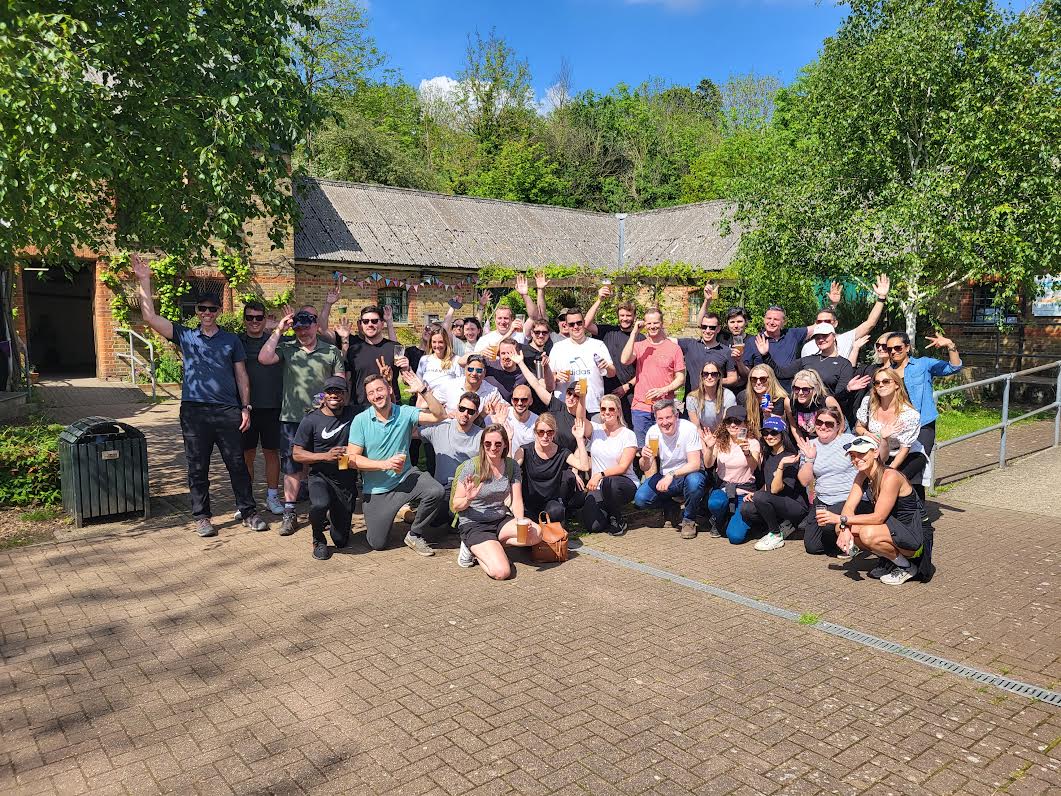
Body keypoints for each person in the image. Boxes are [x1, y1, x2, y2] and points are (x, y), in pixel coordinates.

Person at [131, 255, 268, 537]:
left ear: (218, 311)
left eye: (211, 309)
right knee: (197, 466)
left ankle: (249, 511)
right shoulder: (185, 335)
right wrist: (144, 280)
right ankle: (202, 517)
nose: (207, 313)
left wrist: (246, 408)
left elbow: (242, 375)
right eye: (202, 309)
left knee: (237, 464)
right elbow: (150, 317)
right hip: (194, 412)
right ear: (197, 312)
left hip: (228, 410)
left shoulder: (231, 340)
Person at [257, 306, 347, 536]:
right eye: (298, 329)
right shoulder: (287, 348)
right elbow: (264, 358)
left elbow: (340, 381)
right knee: (292, 465)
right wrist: (278, 329)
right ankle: (289, 512)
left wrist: (324, 398)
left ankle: (331, 509)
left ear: (316, 326)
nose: (303, 333)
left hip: (324, 418)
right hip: (292, 417)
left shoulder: (331, 351)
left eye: (307, 328)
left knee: (328, 462)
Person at [347, 371, 448, 556]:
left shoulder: (405, 413)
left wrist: (423, 391)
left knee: (436, 491)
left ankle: (415, 534)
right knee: (377, 543)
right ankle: (400, 511)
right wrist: (384, 464)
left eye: (380, 389)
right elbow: (350, 459)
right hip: (377, 490)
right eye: (371, 393)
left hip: (405, 478)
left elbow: (440, 415)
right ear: (368, 397)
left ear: (389, 389)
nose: (376, 395)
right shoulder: (360, 421)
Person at [816, 435, 927, 585]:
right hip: (892, 527)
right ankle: (891, 559)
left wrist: (841, 519)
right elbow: (849, 506)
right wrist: (844, 527)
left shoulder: (890, 477)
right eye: (853, 456)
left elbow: (878, 518)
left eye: (861, 454)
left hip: (914, 534)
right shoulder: (862, 475)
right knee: (839, 529)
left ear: (875, 453)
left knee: (867, 534)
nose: (856, 459)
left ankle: (906, 567)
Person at [451, 426, 542, 578]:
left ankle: (490, 546)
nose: (493, 448)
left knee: (535, 533)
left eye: (498, 444)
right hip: (475, 524)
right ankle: (470, 546)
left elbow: (517, 500)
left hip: (500, 519)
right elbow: (456, 505)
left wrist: (520, 522)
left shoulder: (511, 466)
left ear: (505, 444)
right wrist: (469, 498)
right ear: (483, 444)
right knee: (502, 572)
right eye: (488, 444)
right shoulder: (472, 466)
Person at [885, 331, 962, 494]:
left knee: (910, 468)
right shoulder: (887, 373)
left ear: (907, 347)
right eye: (889, 348)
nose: (893, 352)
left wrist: (950, 345)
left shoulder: (923, 364)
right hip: (899, 427)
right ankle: (920, 516)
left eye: (898, 348)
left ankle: (910, 512)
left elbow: (954, 368)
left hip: (923, 425)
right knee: (913, 476)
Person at [291, 376, 359, 561]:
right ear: (324, 395)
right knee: (319, 504)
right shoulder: (311, 420)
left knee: (341, 540)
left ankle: (336, 523)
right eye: (330, 391)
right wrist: (325, 456)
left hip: (346, 477)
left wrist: (388, 383)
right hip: (320, 475)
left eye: (338, 391)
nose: (334, 395)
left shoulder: (355, 413)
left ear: (345, 395)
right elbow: (297, 454)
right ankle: (318, 538)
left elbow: (383, 408)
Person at [237, 301, 285, 515]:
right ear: (244, 319)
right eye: (250, 317)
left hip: (272, 407)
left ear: (265, 319)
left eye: (258, 317)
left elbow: (316, 336)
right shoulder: (237, 342)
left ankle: (273, 496)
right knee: (246, 454)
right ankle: (246, 500)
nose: (254, 321)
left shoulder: (276, 341)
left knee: (271, 453)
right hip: (246, 409)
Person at [633, 399, 706, 539]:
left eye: (668, 417)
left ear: (676, 416)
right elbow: (645, 467)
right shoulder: (653, 432)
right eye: (660, 418)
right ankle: (670, 505)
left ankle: (689, 520)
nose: (665, 422)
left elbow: (695, 464)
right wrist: (645, 458)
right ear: (656, 419)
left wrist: (671, 474)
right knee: (641, 499)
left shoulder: (688, 428)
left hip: (688, 474)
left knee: (695, 481)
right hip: (666, 475)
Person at [797, 407, 859, 556]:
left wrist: (883, 440)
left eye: (829, 424)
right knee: (813, 547)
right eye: (819, 422)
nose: (823, 426)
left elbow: (876, 458)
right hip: (823, 499)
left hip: (847, 498)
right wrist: (810, 459)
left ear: (838, 426)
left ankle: (853, 537)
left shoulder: (850, 441)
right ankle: (841, 540)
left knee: (828, 527)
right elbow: (804, 481)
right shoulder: (809, 445)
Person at [740, 417, 807, 551]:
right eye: (765, 433)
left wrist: (781, 465)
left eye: (773, 432)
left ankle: (776, 535)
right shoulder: (767, 454)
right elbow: (768, 483)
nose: (769, 436)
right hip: (776, 503)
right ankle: (778, 526)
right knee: (747, 509)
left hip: (795, 505)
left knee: (760, 497)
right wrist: (755, 492)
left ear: (782, 434)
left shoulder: (791, 457)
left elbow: (776, 489)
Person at [620, 309, 686, 445]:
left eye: (655, 323)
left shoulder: (674, 348)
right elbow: (624, 360)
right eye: (649, 323)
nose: (652, 326)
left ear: (662, 323)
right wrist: (634, 333)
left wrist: (664, 390)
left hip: (665, 409)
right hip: (641, 408)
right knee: (643, 449)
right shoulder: (639, 346)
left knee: (665, 448)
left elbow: (680, 378)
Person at [855, 368, 927, 489]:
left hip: (905, 455)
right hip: (878, 452)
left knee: (891, 484)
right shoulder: (868, 403)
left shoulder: (909, 414)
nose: (881, 385)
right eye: (877, 383)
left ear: (897, 385)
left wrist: (889, 471)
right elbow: (858, 427)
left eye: (886, 381)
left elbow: (904, 449)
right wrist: (867, 433)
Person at [514, 413, 590, 524]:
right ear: (535, 432)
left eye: (550, 432)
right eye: (541, 432)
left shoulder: (562, 452)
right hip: (528, 504)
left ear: (554, 433)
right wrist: (510, 441)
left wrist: (579, 439)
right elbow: (512, 468)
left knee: (557, 511)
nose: (545, 436)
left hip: (549, 502)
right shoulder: (524, 450)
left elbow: (584, 466)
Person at [580, 394, 639, 536]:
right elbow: (580, 419)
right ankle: (606, 510)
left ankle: (617, 518)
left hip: (623, 483)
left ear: (618, 411)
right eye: (603, 409)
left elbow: (623, 467)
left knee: (608, 482)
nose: (607, 412)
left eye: (611, 409)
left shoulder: (628, 434)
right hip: (599, 487)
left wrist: (599, 475)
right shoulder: (595, 429)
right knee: (593, 526)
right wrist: (582, 397)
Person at [702, 406, 762, 544]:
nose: (733, 425)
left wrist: (746, 452)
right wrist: (710, 448)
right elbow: (708, 464)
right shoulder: (719, 441)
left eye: (737, 421)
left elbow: (754, 467)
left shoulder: (752, 443)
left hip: (744, 491)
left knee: (735, 537)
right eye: (729, 421)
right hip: (724, 488)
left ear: (745, 423)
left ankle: (738, 520)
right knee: (715, 503)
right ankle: (719, 520)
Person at [511, 354, 588, 452]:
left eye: (576, 395)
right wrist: (520, 363)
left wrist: (583, 395)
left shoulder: (583, 415)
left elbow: (581, 438)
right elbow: (536, 385)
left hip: (570, 458)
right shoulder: (557, 405)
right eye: (569, 393)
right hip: (551, 456)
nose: (571, 398)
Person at [799, 275, 891, 357]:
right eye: (819, 322)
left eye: (827, 321)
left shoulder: (844, 339)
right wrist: (833, 305)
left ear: (835, 323)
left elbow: (870, 323)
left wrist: (881, 298)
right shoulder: (808, 347)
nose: (823, 324)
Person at [548, 307, 615, 414]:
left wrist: (606, 366)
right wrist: (555, 377)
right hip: (565, 408)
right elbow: (549, 383)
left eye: (579, 323)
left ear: (584, 323)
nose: (576, 327)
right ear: (566, 325)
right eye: (571, 324)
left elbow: (612, 373)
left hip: (593, 407)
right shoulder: (558, 348)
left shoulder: (598, 345)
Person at [419, 392, 484, 490]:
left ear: (476, 414)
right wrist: (420, 409)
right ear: (457, 408)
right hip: (443, 488)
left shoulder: (483, 436)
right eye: (462, 409)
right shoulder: (441, 428)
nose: (465, 414)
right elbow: (410, 432)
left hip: (468, 489)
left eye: (470, 411)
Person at [345, 305, 400, 410]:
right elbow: (348, 381)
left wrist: (406, 367)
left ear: (382, 324)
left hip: (390, 407)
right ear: (361, 325)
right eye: (365, 321)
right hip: (360, 409)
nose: (370, 324)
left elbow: (406, 380)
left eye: (374, 321)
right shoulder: (354, 350)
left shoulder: (394, 348)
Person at [788, 369, 845, 441]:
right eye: (796, 388)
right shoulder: (790, 402)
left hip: (831, 438)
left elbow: (841, 425)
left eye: (805, 390)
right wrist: (802, 445)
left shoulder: (828, 401)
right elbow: (793, 426)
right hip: (807, 441)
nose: (800, 393)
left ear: (815, 389)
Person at [685, 363, 737, 433]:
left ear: (719, 376)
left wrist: (714, 442)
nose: (709, 377)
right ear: (701, 376)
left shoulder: (728, 396)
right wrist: (705, 441)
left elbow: (726, 425)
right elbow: (697, 428)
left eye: (714, 374)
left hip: (722, 434)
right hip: (701, 435)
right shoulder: (692, 398)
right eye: (706, 374)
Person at [740, 364, 789, 433]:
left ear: (771, 380)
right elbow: (741, 424)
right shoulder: (743, 397)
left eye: (763, 379)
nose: (758, 382)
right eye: (754, 379)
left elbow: (775, 430)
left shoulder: (780, 400)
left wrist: (767, 415)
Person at [415, 324, 463, 394]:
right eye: (434, 342)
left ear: (446, 342)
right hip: (426, 401)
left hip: (447, 403)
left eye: (440, 342)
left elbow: (461, 386)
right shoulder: (424, 360)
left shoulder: (456, 360)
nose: (437, 346)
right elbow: (418, 383)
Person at [491, 383, 538, 448]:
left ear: (531, 401)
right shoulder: (502, 414)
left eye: (524, 400)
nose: (519, 403)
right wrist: (498, 425)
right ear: (512, 401)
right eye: (516, 399)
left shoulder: (537, 422)